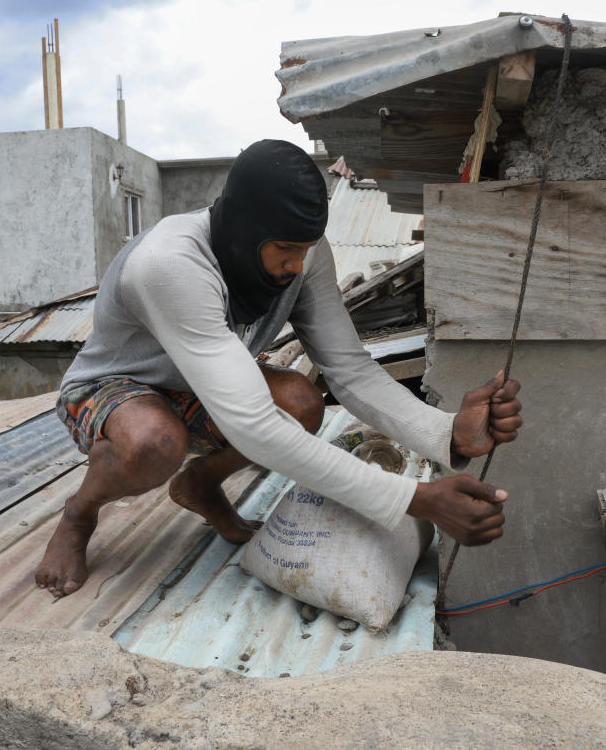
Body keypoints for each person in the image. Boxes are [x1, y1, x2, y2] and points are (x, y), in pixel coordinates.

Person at [35, 139, 522, 597]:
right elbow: (253, 425)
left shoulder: (305, 257)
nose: (297, 266)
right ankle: (79, 513)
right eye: (285, 251)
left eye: (305, 249)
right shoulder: (170, 264)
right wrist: (416, 498)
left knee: (301, 402)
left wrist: (447, 432)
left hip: (201, 387)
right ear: (244, 234)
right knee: (154, 441)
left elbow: (349, 370)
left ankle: (201, 483)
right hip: (113, 389)